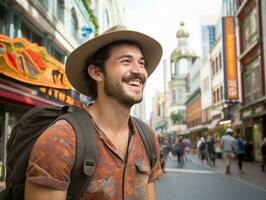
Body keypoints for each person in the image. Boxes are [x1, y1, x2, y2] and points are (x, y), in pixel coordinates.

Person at [24, 25, 163, 199]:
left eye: (141, 63)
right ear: (97, 72)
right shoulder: (61, 139)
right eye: (126, 61)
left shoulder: (147, 137)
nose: (139, 71)